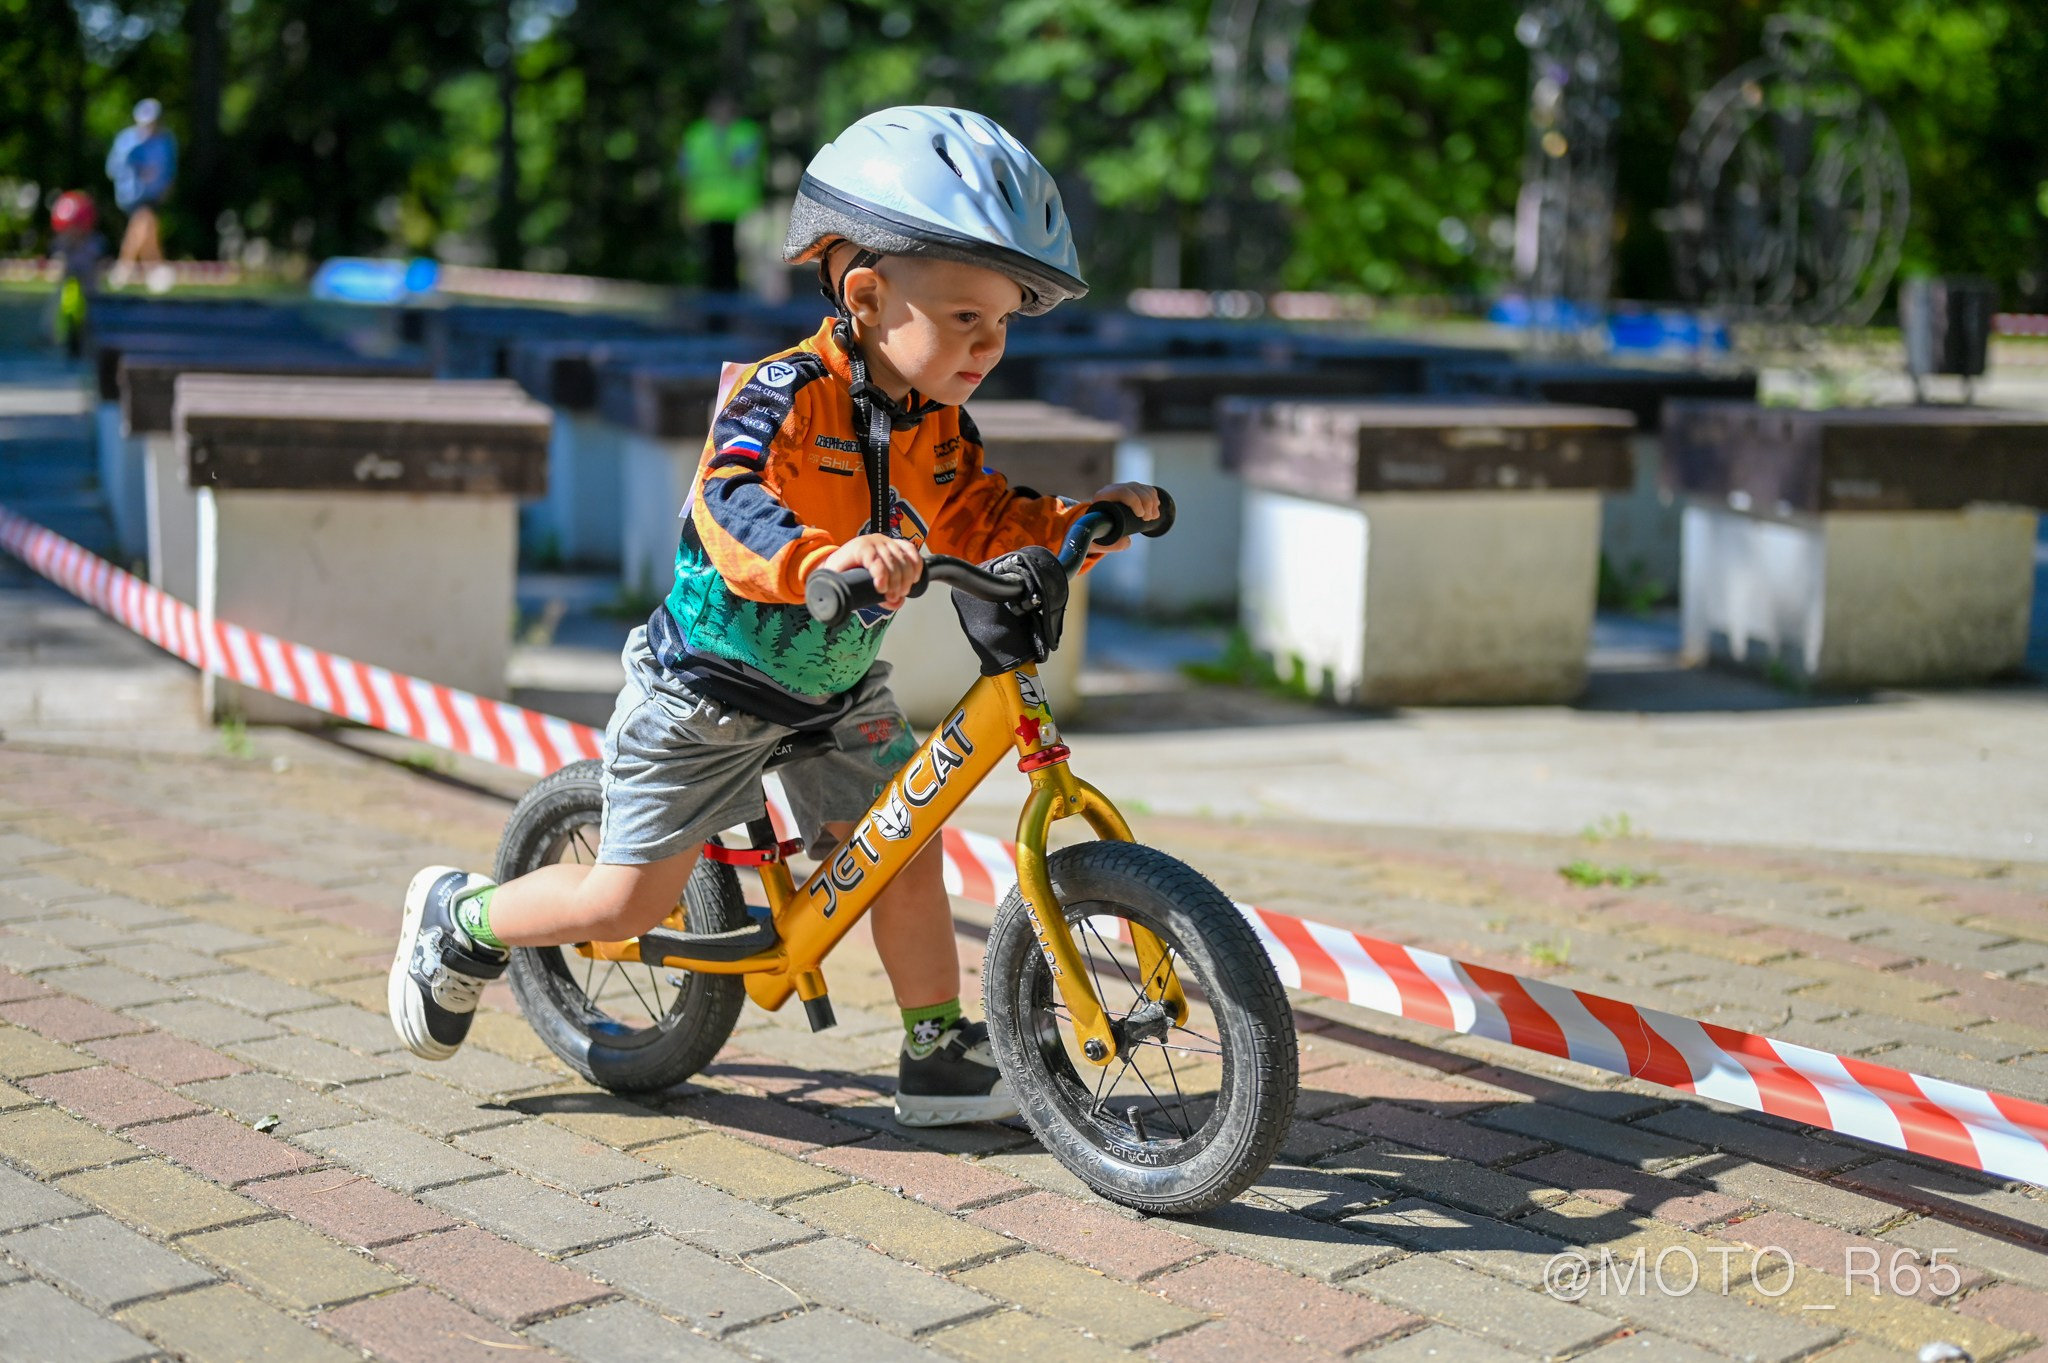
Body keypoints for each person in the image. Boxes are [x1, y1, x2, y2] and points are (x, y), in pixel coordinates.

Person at [389, 106, 1160, 1128]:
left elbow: (979, 515)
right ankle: (461, 918)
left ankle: (936, 1048)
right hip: (703, 691)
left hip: (835, 690)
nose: (991, 343)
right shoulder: (778, 393)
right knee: (624, 903)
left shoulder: (934, 424)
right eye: (966, 317)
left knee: (901, 841)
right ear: (865, 293)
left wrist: (1077, 522)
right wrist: (820, 556)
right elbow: (729, 499)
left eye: (1006, 320)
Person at [679, 96, 763, 292]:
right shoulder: (697, 134)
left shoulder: (746, 132)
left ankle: (732, 303)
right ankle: (714, 306)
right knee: (711, 260)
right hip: (706, 208)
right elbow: (685, 170)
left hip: (740, 209)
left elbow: (742, 161)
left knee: (735, 259)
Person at [106, 98, 177, 271]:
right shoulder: (127, 140)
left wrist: (167, 186)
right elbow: (113, 169)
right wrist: (138, 172)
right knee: (145, 220)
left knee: (145, 226)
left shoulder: (166, 141)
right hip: (131, 194)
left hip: (154, 193)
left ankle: (125, 267)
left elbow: (170, 169)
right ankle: (153, 266)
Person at [48, 192, 102, 358]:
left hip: (87, 287)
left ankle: (90, 340)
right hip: (68, 286)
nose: (71, 234)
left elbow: (95, 266)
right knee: (55, 305)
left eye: (75, 229)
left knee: (93, 309)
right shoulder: (61, 244)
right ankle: (54, 337)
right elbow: (56, 267)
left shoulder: (93, 243)